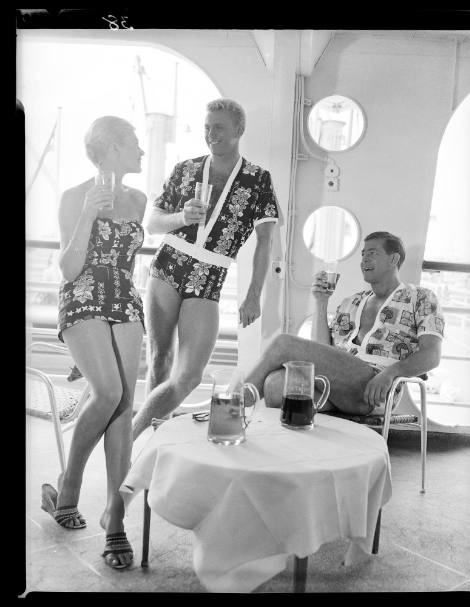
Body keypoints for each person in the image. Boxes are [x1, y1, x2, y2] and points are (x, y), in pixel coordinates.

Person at [132, 98, 279, 439]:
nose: (212, 134)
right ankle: (156, 440)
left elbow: (265, 243)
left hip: (210, 276)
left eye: (220, 128)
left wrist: (253, 295)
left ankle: (130, 432)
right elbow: (153, 222)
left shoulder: (258, 179)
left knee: (189, 375)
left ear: (239, 130)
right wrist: (182, 217)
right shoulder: (186, 168)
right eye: (207, 127)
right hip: (168, 265)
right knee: (159, 359)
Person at [41, 116, 146, 570]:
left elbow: (130, 259)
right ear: (112, 149)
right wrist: (87, 211)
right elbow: (68, 267)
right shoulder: (72, 197)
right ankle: (69, 485)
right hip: (82, 294)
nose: (141, 151)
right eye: (134, 144)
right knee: (108, 392)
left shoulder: (140, 199)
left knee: (124, 404)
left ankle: (115, 519)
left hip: (124, 296)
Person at [244, 231, 444, 414]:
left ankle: (232, 406)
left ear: (393, 259)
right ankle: (293, 449)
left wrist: (391, 373)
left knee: (284, 343)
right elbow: (323, 350)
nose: (364, 259)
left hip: (378, 387)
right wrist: (321, 301)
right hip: (339, 387)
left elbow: (432, 355)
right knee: (274, 386)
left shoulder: (421, 298)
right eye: (363, 254)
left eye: (372, 253)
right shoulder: (352, 302)